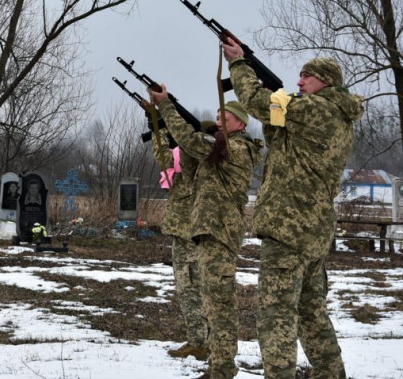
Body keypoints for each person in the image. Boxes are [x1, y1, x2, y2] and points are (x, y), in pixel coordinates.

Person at [223, 40, 363, 379]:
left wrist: (240, 64)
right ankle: (331, 373)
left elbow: (256, 103)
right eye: (299, 77)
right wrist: (275, 94)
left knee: (276, 313)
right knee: (310, 310)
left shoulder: (318, 109)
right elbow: (281, 138)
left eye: (307, 77)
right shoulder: (337, 117)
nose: (299, 83)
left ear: (326, 82)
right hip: (312, 230)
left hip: (289, 228)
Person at [149, 87, 261, 379]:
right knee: (214, 303)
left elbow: (190, 140)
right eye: (217, 117)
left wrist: (166, 107)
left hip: (220, 234)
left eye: (226, 117)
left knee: (219, 305)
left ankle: (222, 369)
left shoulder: (235, 149)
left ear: (241, 124)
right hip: (212, 233)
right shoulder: (223, 149)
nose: (219, 121)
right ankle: (219, 367)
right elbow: (188, 151)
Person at [151, 119, 217, 362]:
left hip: (189, 232)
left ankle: (200, 342)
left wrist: (162, 129)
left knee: (191, 289)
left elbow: (165, 158)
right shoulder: (197, 156)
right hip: (186, 231)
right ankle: (202, 339)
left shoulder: (196, 157)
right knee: (191, 288)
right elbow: (166, 157)